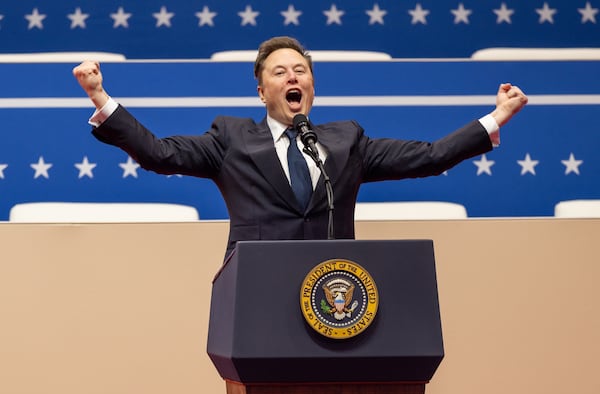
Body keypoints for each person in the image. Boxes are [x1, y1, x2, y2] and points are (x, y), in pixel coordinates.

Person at [73, 36, 528, 259]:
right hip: (254, 293)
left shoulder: (346, 139)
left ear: (312, 85)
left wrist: (496, 117)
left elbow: (428, 157)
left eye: (300, 71)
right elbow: (158, 153)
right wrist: (100, 97)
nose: (293, 77)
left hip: (337, 292)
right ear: (261, 91)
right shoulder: (230, 139)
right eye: (280, 72)